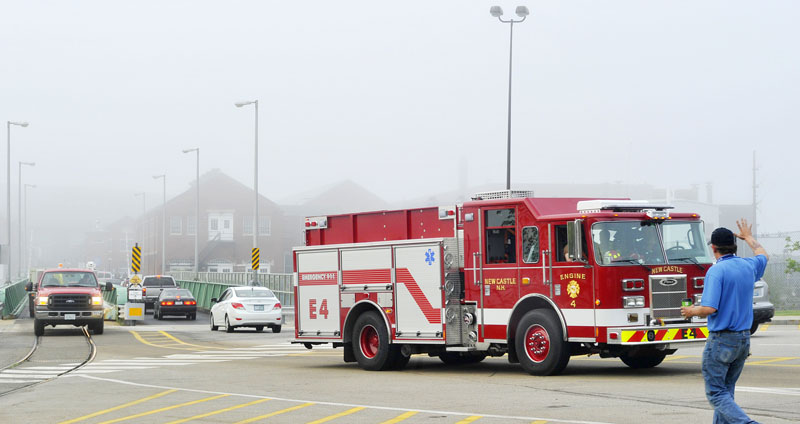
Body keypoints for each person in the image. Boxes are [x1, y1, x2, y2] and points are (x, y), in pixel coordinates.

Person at [681, 219, 768, 424]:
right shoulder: (749, 266)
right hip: (743, 339)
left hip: (722, 340)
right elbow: (763, 254)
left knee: (715, 393)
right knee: (726, 392)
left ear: (713, 247)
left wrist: (691, 310)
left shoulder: (716, 271)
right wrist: (748, 237)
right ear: (734, 245)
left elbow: (710, 308)